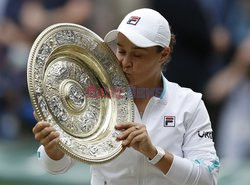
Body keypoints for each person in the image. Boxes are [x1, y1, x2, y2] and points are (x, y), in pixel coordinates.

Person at [32, 8, 219, 185]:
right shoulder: (95, 97)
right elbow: (56, 167)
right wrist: (53, 150)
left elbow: (208, 178)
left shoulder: (190, 103)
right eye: (121, 51)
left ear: (163, 54)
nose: (125, 62)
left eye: (137, 55)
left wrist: (154, 153)